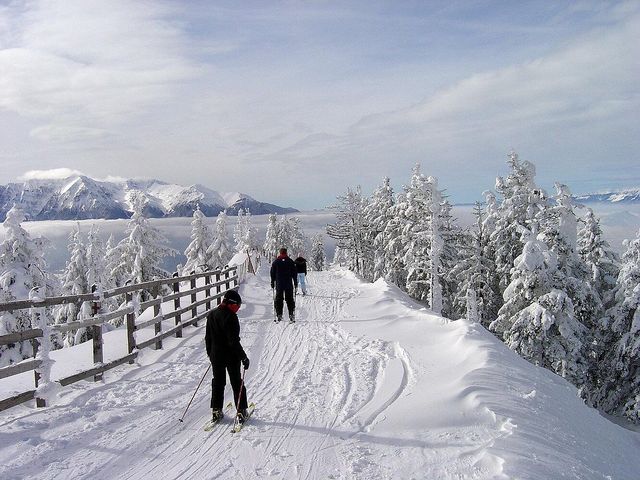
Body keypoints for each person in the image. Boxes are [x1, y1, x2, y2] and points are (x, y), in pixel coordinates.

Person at [205, 289, 251, 423]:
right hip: (231, 356)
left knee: (218, 382)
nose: (238, 309)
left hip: (216, 356)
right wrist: (243, 357)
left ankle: (216, 410)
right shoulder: (231, 317)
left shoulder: (212, 315)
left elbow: (208, 338)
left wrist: (211, 354)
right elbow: (233, 341)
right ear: (231, 304)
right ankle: (241, 410)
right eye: (237, 305)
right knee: (237, 382)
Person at [270, 247, 298, 322]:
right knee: (289, 299)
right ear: (286, 253)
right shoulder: (290, 262)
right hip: (288, 283)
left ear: (280, 253)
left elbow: (272, 273)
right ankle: (291, 314)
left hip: (279, 284)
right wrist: (295, 282)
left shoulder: (276, 262)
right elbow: (294, 273)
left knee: (279, 299)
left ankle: (279, 314)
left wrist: (272, 282)